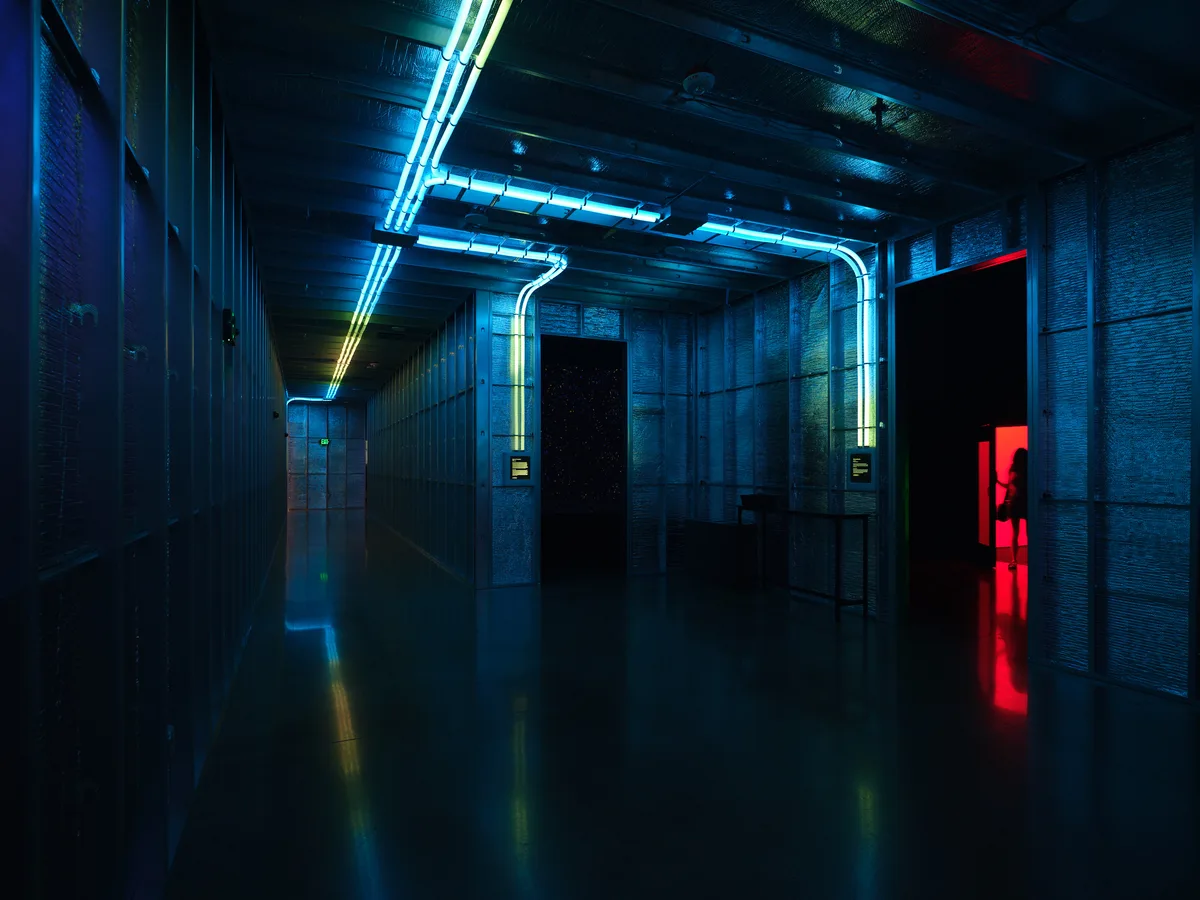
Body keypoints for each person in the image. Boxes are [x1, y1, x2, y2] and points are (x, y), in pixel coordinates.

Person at [996, 447, 1028, 570]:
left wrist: (998, 482)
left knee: (1015, 533)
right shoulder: (1029, 469)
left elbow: (1009, 486)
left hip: (1014, 504)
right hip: (1026, 502)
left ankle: (1014, 560)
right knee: (1029, 533)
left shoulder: (1013, 469)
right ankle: (1030, 559)